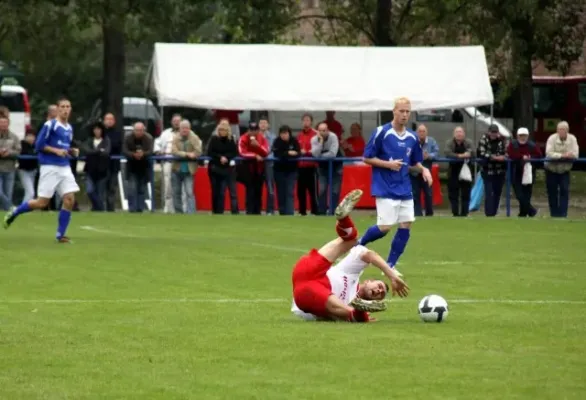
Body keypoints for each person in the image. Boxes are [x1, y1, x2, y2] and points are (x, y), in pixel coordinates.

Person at [291, 189, 410, 323]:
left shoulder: (348, 303)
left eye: (380, 295)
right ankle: (343, 220)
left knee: (344, 312)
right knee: (352, 241)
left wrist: (360, 313)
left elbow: (327, 316)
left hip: (308, 295)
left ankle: (356, 313)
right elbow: (369, 254)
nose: (378, 291)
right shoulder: (351, 275)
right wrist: (391, 275)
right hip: (309, 270)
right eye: (379, 286)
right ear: (368, 281)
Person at [358, 97, 432, 276]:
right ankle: (358, 245)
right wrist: (387, 164)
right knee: (384, 228)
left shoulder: (413, 137)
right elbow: (366, 157)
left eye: (407, 111)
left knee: (406, 224)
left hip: (404, 187)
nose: (405, 114)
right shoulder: (381, 132)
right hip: (385, 187)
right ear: (394, 111)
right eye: (402, 111)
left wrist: (423, 170)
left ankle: (390, 265)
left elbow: (414, 161)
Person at [3, 97, 80, 242]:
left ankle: (60, 235)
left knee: (69, 199)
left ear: (70, 109)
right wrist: (56, 151)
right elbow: (38, 145)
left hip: (64, 167)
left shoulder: (69, 128)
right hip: (49, 166)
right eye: (62, 106)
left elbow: (63, 147)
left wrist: (71, 151)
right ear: (57, 109)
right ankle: (15, 211)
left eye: (68, 107)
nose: (65, 109)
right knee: (41, 202)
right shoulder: (50, 125)